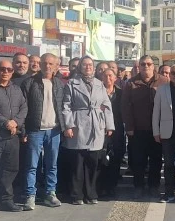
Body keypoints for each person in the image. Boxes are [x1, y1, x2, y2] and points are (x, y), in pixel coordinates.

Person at [62, 56, 114, 205]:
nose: (88, 67)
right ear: (80, 67)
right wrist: (68, 125)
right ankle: (77, 195)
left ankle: (91, 194)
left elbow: (107, 105)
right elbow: (66, 106)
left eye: (90, 65)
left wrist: (109, 125)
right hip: (78, 123)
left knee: (93, 161)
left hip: (96, 124)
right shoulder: (72, 83)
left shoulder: (99, 83)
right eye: (85, 65)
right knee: (78, 162)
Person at [0, 59, 27, 213]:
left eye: (9, 70)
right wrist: (5, 123)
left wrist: (16, 122)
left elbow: (24, 108)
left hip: (12, 137)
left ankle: (6, 200)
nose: (5, 72)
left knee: (10, 170)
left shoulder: (16, 89)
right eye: (2, 69)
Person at [21, 53, 65, 209]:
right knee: (32, 165)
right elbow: (23, 107)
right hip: (35, 130)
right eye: (45, 63)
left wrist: (64, 127)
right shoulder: (29, 83)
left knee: (52, 164)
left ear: (55, 66)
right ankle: (30, 195)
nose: (48, 66)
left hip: (54, 130)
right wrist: (23, 130)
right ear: (40, 65)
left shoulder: (59, 84)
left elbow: (63, 107)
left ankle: (50, 193)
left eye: (51, 64)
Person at [122, 55, 164, 199]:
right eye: (143, 64)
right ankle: (138, 186)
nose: (146, 66)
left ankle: (154, 186)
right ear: (139, 66)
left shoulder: (163, 81)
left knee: (156, 160)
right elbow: (125, 106)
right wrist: (129, 126)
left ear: (154, 66)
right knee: (138, 160)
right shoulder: (131, 83)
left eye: (149, 64)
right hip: (137, 129)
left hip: (157, 130)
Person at [153, 63, 175, 203]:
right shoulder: (162, 89)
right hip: (167, 132)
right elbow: (156, 112)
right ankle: (169, 192)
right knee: (168, 164)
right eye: (173, 73)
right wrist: (156, 131)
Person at [98, 68, 125, 199]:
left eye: (110, 76)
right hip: (100, 128)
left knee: (116, 157)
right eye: (105, 76)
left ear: (115, 78)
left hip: (117, 129)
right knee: (101, 158)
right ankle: (101, 186)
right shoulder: (97, 92)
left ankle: (112, 186)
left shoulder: (121, 93)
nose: (108, 78)